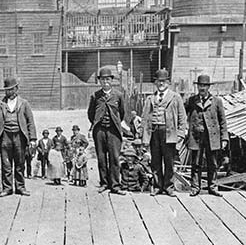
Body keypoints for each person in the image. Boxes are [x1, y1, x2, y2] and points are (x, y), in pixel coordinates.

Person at [141, 69, 188, 197]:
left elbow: (182, 117)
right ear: (155, 83)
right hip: (154, 132)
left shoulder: (175, 97)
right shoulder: (150, 98)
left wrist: (180, 135)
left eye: (163, 81)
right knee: (155, 161)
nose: (161, 83)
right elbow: (145, 118)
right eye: (158, 81)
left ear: (168, 82)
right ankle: (157, 186)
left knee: (169, 161)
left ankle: (168, 187)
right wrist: (143, 136)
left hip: (169, 133)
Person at [0, 76, 36, 197]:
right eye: (7, 90)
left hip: (19, 137)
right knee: (6, 164)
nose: (9, 92)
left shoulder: (24, 103)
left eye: (11, 89)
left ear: (17, 89)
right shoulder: (0, 105)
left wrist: (32, 139)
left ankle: (20, 187)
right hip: (5, 137)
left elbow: (30, 121)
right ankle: (7, 188)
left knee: (20, 163)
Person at [88, 66, 131, 195]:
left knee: (114, 158)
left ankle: (115, 185)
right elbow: (90, 113)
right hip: (100, 131)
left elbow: (122, 113)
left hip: (114, 131)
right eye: (102, 79)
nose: (105, 82)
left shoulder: (118, 95)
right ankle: (104, 183)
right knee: (101, 158)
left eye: (107, 79)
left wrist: (116, 123)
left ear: (111, 80)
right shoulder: (95, 96)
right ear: (99, 81)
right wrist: (97, 124)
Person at [186, 74, 228, 197]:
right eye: (200, 85)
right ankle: (195, 187)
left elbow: (223, 121)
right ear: (197, 86)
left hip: (212, 136)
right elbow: (182, 114)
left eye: (205, 86)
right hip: (196, 136)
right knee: (196, 163)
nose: (202, 88)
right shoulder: (191, 101)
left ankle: (213, 187)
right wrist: (184, 129)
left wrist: (224, 138)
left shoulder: (216, 101)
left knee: (213, 163)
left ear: (208, 87)